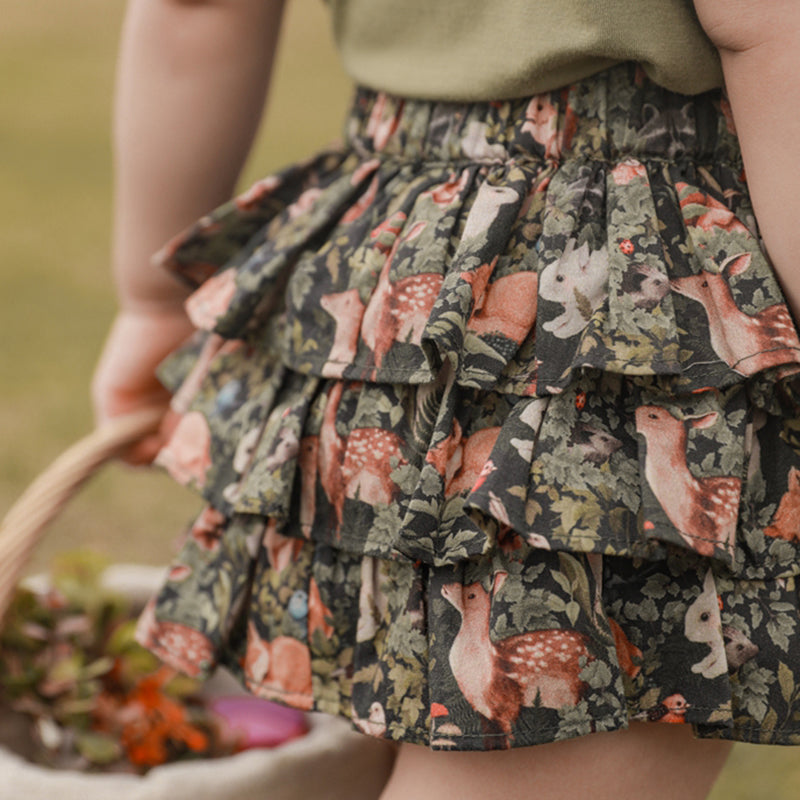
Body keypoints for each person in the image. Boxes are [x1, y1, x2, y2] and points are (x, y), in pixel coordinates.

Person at [91, 1, 800, 798]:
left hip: (388, 284)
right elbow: (770, 26)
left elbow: (199, 9)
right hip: (614, 293)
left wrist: (151, 302)